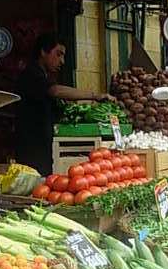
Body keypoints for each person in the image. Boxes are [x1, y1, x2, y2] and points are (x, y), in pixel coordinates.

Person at [14, 33, 109, 176]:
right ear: (43, 52)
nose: (62, 61)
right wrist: (94, 96)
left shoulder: (44, 74)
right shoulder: (32, 73)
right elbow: (55, 91)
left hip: (42, 146)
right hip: (32, 148)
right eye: (58, 54)